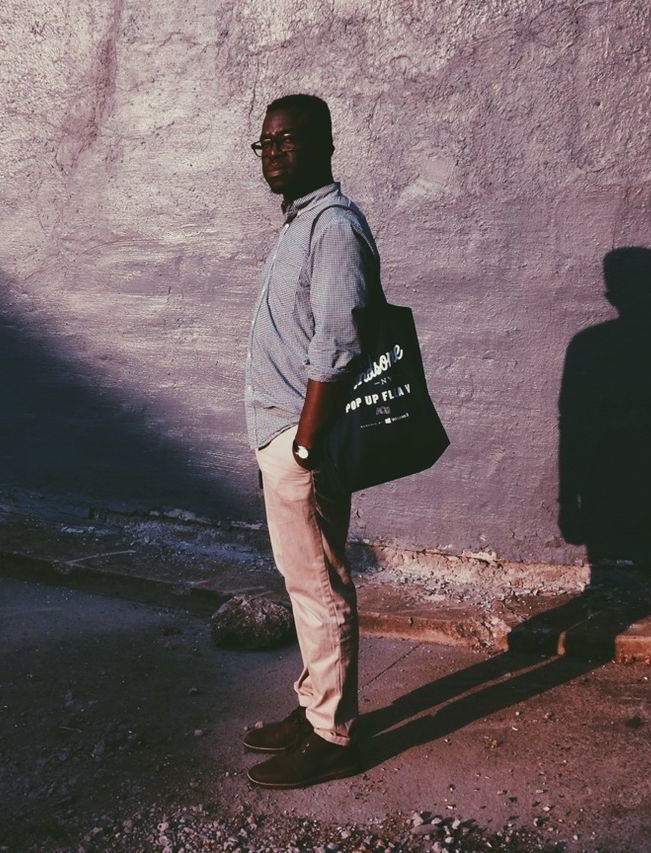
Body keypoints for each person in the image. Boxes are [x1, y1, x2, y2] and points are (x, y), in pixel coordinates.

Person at [241, 94, 379, 788]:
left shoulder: (333, 226)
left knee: (322, 586)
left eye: (289, 141)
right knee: (303, 583)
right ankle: (313, 704)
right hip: (284, 432)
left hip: (306, 439)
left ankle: (334, 734)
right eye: (265, 143)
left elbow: (340, 341)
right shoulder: (297, 224)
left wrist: (303, 443)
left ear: (325, 144)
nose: (274, 153)